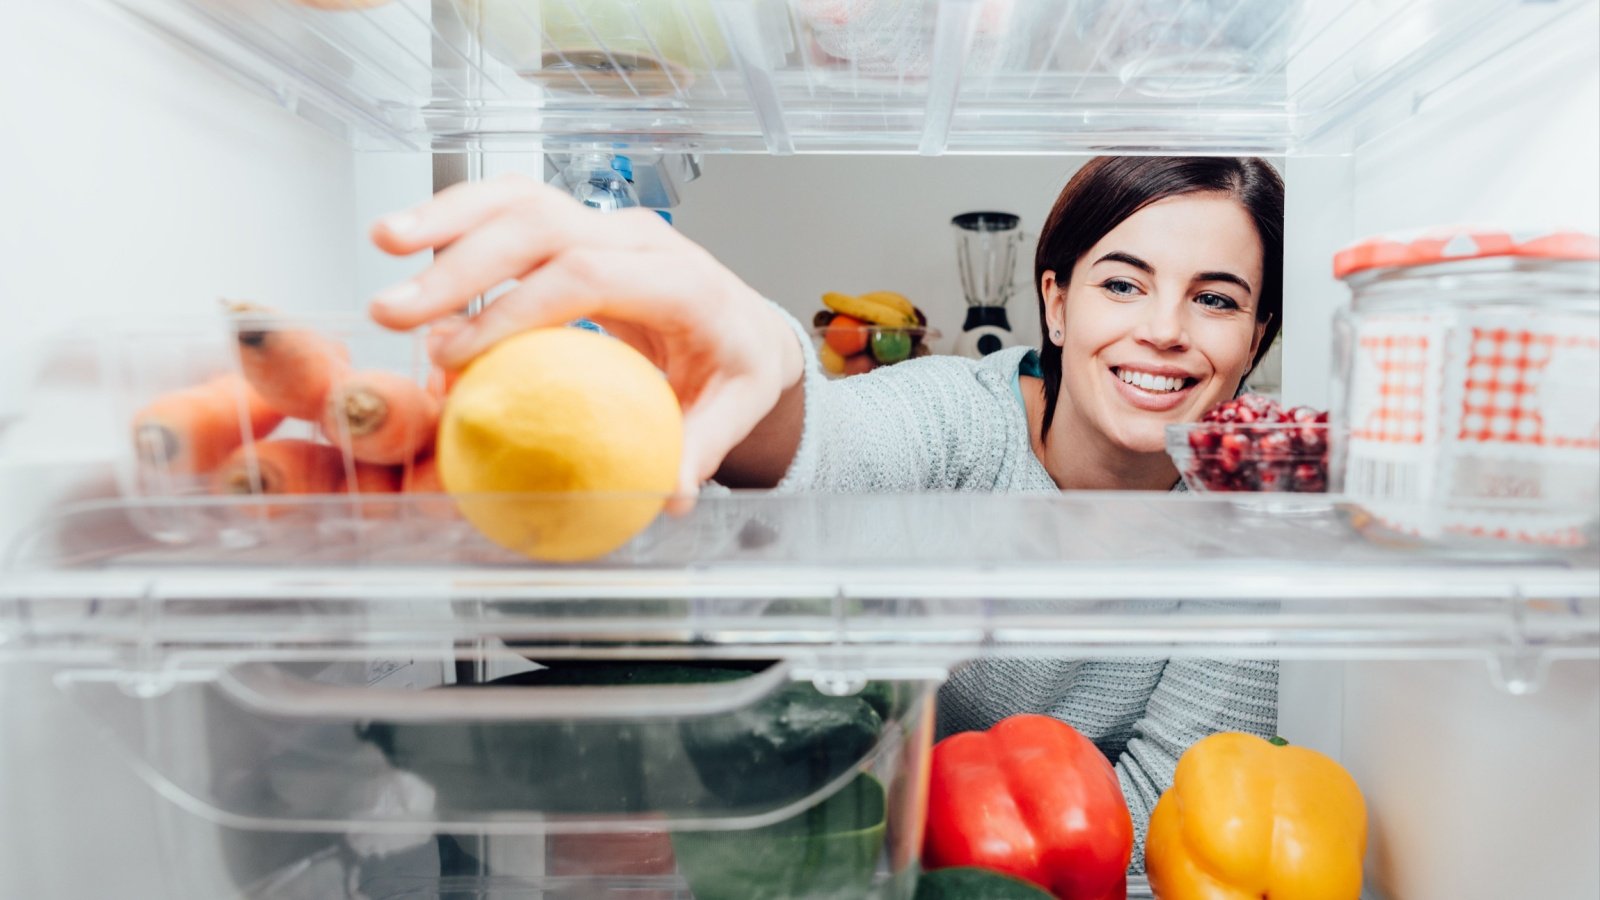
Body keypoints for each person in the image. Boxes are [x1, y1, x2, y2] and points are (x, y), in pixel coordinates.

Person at [368, 155, 1285, 870]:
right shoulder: (960, 414)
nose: (1165, 328)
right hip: (844, 837)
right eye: (1122, 283)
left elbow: (1179, 817)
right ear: (1054, 302)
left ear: (1255, 342)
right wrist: (761, 356)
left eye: (1215, 299)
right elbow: (832, 446)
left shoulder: (1248, 525)